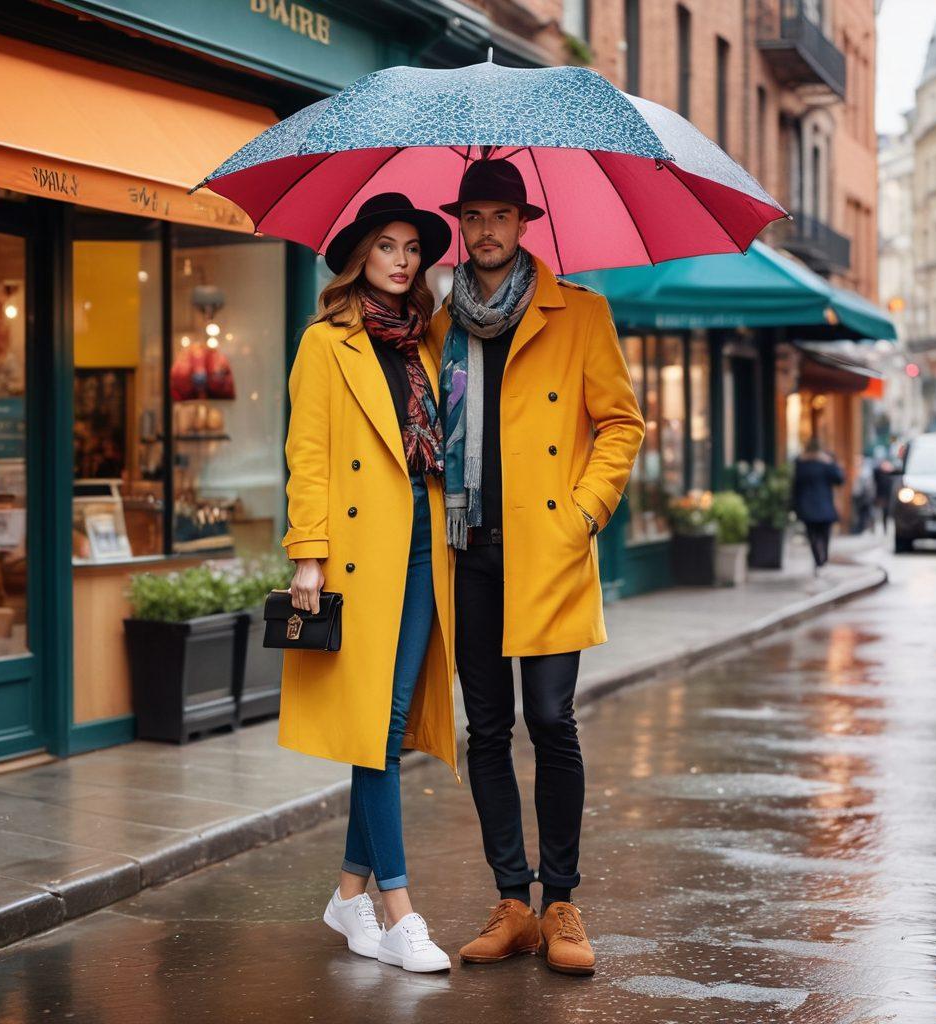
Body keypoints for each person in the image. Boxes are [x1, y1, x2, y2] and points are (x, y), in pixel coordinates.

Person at [427, 159, 645, 977]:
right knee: (487, 729)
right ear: (462, 226)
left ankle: (561, 900)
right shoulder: (440, 323)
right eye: (472, 216)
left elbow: (620, 424)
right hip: (469, 549)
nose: (484, 230)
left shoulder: (578, 314)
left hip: (547, 550)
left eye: (499, 216)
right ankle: (512, 900)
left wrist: (584, 512)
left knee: (551, 720)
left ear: (524, 225)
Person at [280, 193, 456, 973]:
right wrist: (307, 553)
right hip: (358, 553)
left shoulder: (426, 343)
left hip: (424, 546)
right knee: (378, 727)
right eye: (388, 245)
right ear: (361, 255)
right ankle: (398, 910)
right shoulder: (326, 343)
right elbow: (307, 453)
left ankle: (348, 894)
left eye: (414, 248)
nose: (403, 259)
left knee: (382, 728)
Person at [793, 437, 845, 575]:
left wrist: (795, 506)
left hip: (807, 505)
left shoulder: (801, 463)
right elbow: (839, 479)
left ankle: (818, 561)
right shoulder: (825, 463)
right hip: (824, 505)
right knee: (824, 534)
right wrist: (833, 463)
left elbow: (795, 487)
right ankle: (823, 560)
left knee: (812, 535)